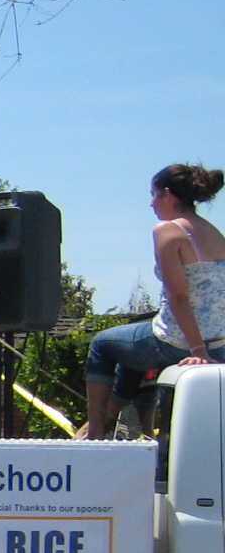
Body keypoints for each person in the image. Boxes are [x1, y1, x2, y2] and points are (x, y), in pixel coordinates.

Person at [80, 164, 225, 439]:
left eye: (153, 195)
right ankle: (137, 425)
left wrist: (198, 350)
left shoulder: (168, 231)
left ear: (167, 194)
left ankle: (95, 431)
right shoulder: (215, 233)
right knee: (130, 350)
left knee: (102, 345)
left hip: (181, 343)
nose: (151, 203)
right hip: (220, 342)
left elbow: (178, 295)